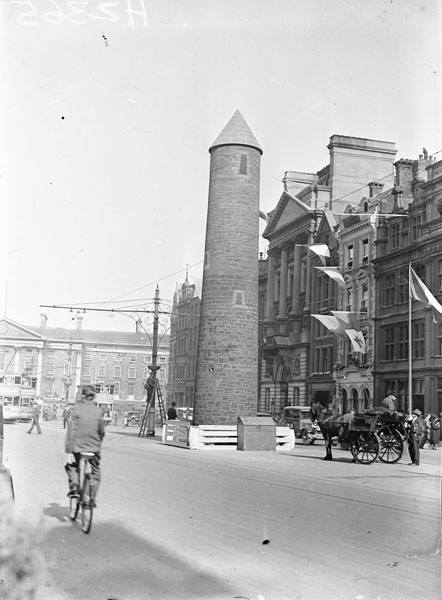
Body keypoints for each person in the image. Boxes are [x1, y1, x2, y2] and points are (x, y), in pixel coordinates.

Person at [64, 385, 105, 507]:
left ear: (83, 396)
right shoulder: (99, 411)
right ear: (93, 397)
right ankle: (89, 496)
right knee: (96, 471)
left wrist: (68, 449)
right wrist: (98, 442)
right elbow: (101, 431)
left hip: (78, 446)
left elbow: (71, 430)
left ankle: (75, 487)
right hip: (94, 448)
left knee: (72, 465)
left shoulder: (76, 409)